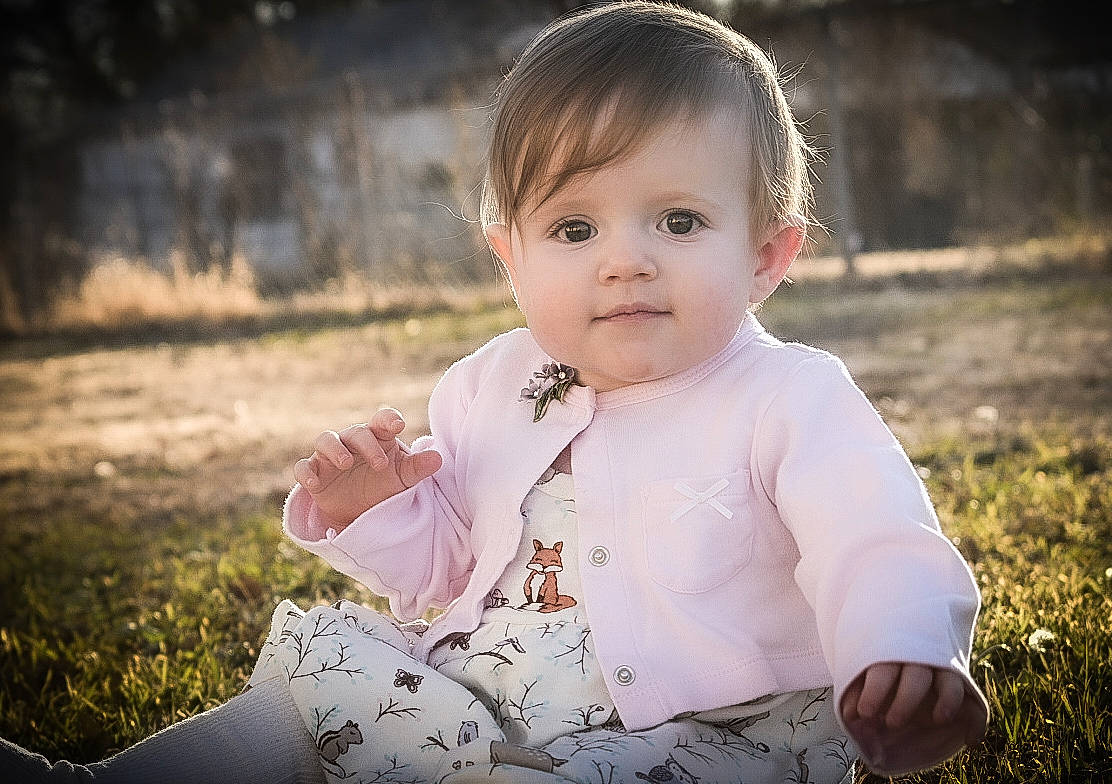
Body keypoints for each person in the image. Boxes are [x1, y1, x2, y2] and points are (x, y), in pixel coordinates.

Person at [3, 2, 988, 782]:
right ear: (509, 257)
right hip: (461, 693)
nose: (625, 262)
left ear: (767, 252)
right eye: (574, 231)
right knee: (300, 707)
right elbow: (446, 574)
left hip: (683, 739)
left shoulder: (787, 396)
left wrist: (898, 650)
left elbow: (877, 538)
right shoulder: (494, 382)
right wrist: (381, 509)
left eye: (679, 221)